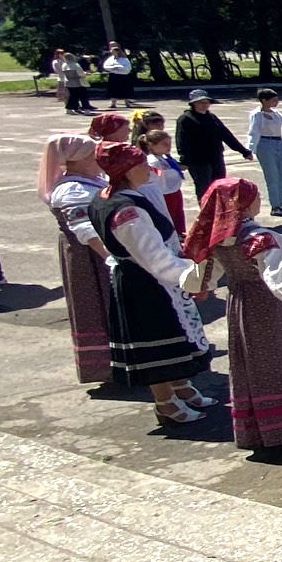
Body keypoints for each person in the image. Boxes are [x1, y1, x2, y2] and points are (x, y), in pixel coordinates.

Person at [182, 178, 282, 450]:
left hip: (242, 306)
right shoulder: (261, 239)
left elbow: (199, 279)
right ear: (244, 204)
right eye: (255, 196)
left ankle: (265, 430)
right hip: (274, 308)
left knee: (255, 364)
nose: (259, 200)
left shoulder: (220, 240)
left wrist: (194, 286)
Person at [86, 142, 215, 425]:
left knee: (175, 336)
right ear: (127, 170)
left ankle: (181, 387)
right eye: (142, 165)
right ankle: (165, 402)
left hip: (145, 277)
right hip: (145, 283)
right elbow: (154, 257)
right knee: (158, 342)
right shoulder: (126, 211)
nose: (148, 168)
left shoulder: (111, 197)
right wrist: (194, 279)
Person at [39, 135, 115, 384]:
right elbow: (87, 231)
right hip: (89, 258)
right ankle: (107, 366)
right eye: (93, 155)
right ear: (79, 159)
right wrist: (111, 259)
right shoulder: (72, 189)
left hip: (94, 253)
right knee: (98, 304)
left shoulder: (90, 180)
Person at [175, 89, 252, 200]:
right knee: (204, 190)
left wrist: (244, 151)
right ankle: (205, 210)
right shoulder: (186, 119)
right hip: (198, 161)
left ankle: (219, 210)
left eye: (207, 102)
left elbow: (226, 135)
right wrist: (184, 160)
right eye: (201, 102)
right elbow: (182, 141)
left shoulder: (212, 117)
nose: (204, 105)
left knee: (220, 187)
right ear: (193, 103)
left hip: (216, 158)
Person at [136, 128, 187, 231]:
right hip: (164, 194)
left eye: (169, 143)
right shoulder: (152, 161)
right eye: (164, 144)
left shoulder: (164, 158)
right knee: (169, 218)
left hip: (173, 192)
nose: (168, 146)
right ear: (151, 145)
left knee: (177, 217)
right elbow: (154, 178)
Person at [101, 42, 136, 108]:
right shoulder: (111, 59)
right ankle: (113, 103)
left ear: (117, 52)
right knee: (114, 90)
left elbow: (128, 68)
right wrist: (113, 67)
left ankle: (127, 103)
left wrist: (120, 67)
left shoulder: (124, 59)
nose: (112, 53)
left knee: (125, 90)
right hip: (114, 76)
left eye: (113, 52)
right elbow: (105, 66)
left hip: (123, 76)